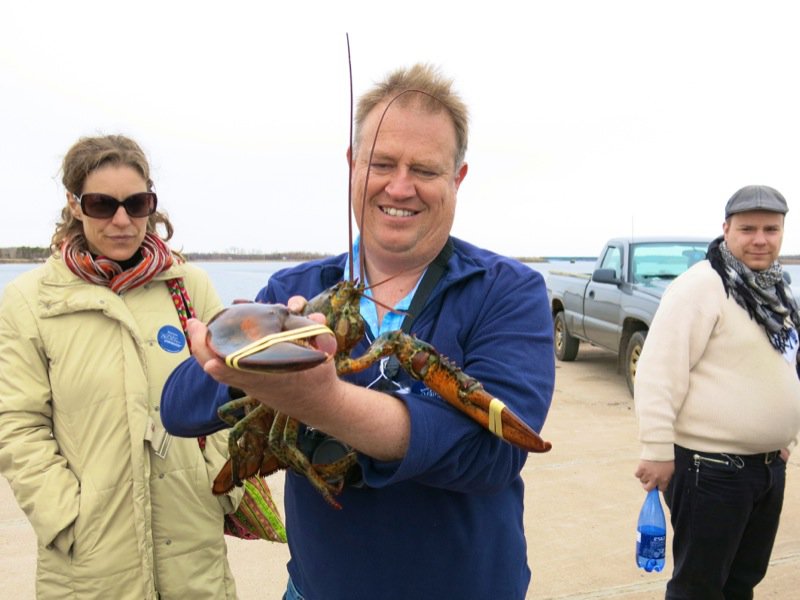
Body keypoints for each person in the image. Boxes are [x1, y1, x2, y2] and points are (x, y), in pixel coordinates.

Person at [161, 64, 555, 599]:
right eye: (382, 163)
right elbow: (178, 409)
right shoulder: (292, 290)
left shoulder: (509, 291)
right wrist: (253, 362)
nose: (400, 186)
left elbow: (494, 456)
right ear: (352, 165)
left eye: (425, 169)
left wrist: (324, 402)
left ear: (458, 179)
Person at [0, 135, 242, 599]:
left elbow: (235, 395)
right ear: (74, 205)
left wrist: (220, 485)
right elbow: (18, 424)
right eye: (101, 204)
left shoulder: (190, 287)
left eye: (136, 203)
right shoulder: (31, 301)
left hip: (193, 548)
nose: (121, 220)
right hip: (89, 557)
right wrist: (64, 517)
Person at [634, 184, 800, 599]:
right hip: (710, 472)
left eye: (771, 229)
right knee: (699, 589)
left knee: (742, 582)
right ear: (726, 229)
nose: (760, 239)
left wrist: (782, 438)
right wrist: (656, 450)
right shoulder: (702, 286)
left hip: (765, 470)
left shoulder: (776, 290)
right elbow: (658, 371)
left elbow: (784, 366)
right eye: (748, 229)